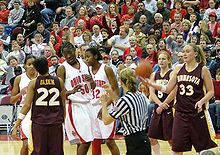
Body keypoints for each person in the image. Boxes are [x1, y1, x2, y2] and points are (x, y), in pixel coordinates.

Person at [144, 43, 218, 154]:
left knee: (202, 149)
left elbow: (211, 91)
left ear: (195, 54)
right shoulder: (178, 68)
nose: (184, 54)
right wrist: (151, 84)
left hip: (197, 113)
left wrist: (201, 101)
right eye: (183, 51)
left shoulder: (203, 70)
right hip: (180, 113)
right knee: (176, 147)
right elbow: (168, 88)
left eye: (187, 51)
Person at [12, 56, 66, 155]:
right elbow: (63, 104)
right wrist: (63, 120)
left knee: (39, 151)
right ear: (48, 66)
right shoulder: (59, 81)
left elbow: (27, 105)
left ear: (36, 69)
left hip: (39, 123)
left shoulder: (33, 83)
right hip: (56, 123)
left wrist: (17, 123)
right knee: (57, 151)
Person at [100, 67, 151, 155]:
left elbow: (106, 120)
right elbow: (120, 106)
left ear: (121, 81)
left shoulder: (125, 100)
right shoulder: (139, 95)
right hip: (143, 138)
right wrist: (111, 92)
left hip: (134, 141)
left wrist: (104, 104)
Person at [57, 42, 96, 155]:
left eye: (70, 53)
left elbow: (93, 87)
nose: (68, 56)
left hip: (88, 104)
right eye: (65, 54)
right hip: (74, 106)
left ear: (75, 51)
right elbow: (59, 93)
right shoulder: (62, 68)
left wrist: (91, 81)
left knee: (82, 140)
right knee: (86, 141)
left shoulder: (84, 63)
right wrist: (71, 91)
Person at [84, 47, 120, 155]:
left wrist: (104, 106)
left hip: (106, 107)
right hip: (92, 107)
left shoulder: (106, 69)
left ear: (95, 56)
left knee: (109, 141)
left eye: (88, 57)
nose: (86, 59)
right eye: (85, 57)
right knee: (95, 140)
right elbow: (91, 89)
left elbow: (116, 90)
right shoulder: (88, 70)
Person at [10, 55, 38, 155]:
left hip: (40, 111)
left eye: (33, 64)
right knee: (26, 144)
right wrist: (20, 93)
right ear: (25, 66)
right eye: (29, 64)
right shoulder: (19, 79)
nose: (31, 66)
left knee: (39, 145)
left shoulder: (41, 77)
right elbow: (12, 100)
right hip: (25, 113)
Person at [148, 51, 174, 155]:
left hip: (169, 107)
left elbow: (173, 92)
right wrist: (159, 104)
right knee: (152, 137)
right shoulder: (154, 74)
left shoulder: (172, 73)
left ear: (168, 60)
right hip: (157, 107)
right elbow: (151, 92)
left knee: (170, 138)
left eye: (164, 59)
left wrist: (163, 105)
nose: (161, 61)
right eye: (159, 59)